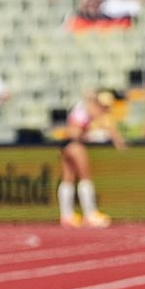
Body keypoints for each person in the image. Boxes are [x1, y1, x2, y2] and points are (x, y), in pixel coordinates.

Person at [58, 89, 123, 227]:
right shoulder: (90, 106)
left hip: (66, 142)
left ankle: (66, 216)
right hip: (75, 143)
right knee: (85, 176)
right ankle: (90, 214)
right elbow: (103, 123)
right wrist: (114, 137)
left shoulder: (80, 106)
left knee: (68, 178)